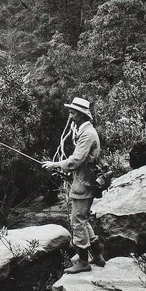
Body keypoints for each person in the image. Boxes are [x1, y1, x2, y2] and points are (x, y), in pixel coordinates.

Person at [41, 96, 102, 273]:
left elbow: (76, 160)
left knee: (77, 222)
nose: (70, 116)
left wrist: (55, 164)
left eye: (73, 113)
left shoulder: (87, 134)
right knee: (83, 219)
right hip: (84, 180)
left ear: (82, 115)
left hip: (83, 185)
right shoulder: (86, 131)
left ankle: (83, 262)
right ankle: (98, 256)